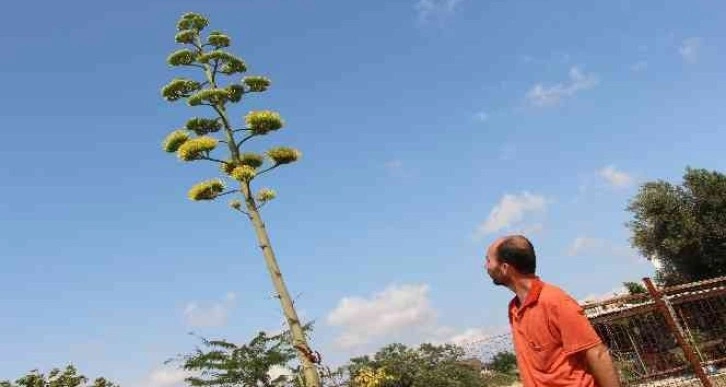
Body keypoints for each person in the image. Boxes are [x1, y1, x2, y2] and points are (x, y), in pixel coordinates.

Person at [484, 235, 621, 387]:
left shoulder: (554, 301)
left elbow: (598, 354)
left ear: (505, 268)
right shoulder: (514, 309)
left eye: (488, 260)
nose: (486, 266)